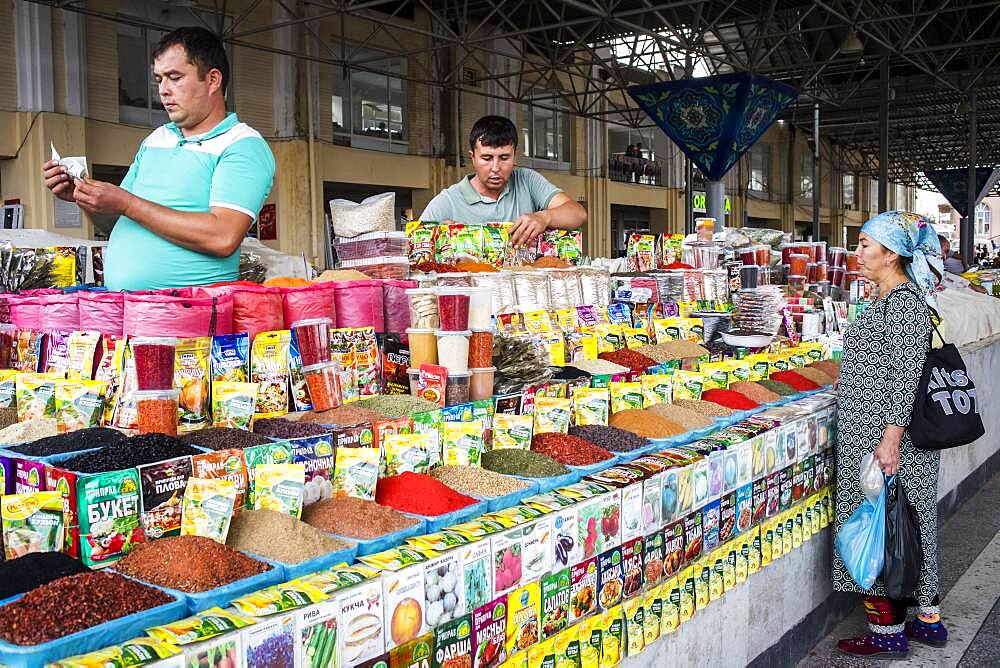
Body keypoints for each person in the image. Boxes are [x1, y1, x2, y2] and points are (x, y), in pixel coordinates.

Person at [42, 27, 275, 291]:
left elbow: (222, 237)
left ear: (212, 80)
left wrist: (127, 203)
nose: (163, 91)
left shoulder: (242, 144)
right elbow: (118, 222)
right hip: (131, 311)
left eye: (174, 78)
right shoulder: (156, 139)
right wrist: (84, 197)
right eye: (159, 79)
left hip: (188, 315)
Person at [833, 211, 947, 659]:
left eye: (864, 245)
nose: (857, 253)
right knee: (910, 527)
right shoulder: (889, 299)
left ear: (892, 253)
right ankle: (927, 621)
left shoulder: (903, 304)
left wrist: (889, 441)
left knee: (883, 532)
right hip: (883, 437)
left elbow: (904, 376)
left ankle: (887, 634)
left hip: (884, 441)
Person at [419, 115, 587, 248]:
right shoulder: (448, 201)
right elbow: (415, 246)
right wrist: (437, 239)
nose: (495, 167)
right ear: (473, 158)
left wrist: (544, 217)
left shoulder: (527, 181)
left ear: (515, 156)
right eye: (486, 158)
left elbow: (578, 214)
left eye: (504, 158)